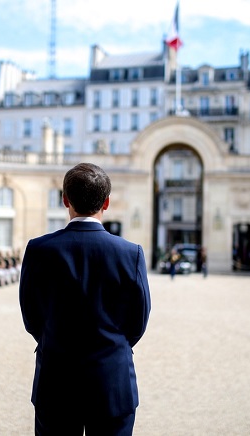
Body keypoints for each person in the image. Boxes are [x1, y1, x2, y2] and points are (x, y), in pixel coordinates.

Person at [19, 163, 151, 436]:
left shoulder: (39, 249)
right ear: (107, 202)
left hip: (55, 379)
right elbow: (138, 321)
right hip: (112, 380)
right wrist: (114, 346)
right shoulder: (130, 253)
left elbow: (31, 315)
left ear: (65, 199)